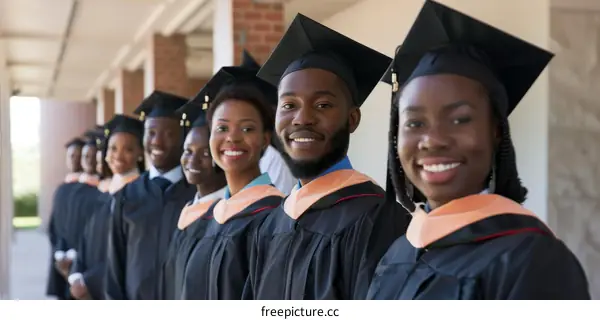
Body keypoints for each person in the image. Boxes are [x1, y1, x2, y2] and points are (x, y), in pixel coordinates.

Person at [367, 0, 590, 300]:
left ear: (495, 131)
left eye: (459, 119)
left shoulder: (535, 261)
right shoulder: (399, 251)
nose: (433, 140)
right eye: (415, 123)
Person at [243, 14, 410, 300]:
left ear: (352, 119)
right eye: (289, 105)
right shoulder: (269, 225)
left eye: (322, 104)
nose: (302, 118)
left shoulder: (378, 220)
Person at [180, 68, 284, 300]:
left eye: (247, 128)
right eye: (222, 128)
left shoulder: (275, 218)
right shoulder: (207, 218)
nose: (232, 138)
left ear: (265, 140)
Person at [105, 91, 197, 300]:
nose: (157, 142)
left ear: (184, 137)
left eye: (168, 133)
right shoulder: (126, 196)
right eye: (151, 133)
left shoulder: (197, 196)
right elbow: (114, 268)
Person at [158, 92, 227, 300]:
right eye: (188, 151)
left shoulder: (227, 215)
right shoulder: (188, 210)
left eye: (205, 153)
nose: (193, 161)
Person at [69, 115, 145, 300]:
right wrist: (77, 274)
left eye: (128, 149)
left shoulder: (143, 197)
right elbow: (86, 238)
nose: (117, 156)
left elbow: (132, 256)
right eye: (112, 148)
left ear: (140, 153)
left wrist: (89, 282)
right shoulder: (104, 192)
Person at [52, 129, 102, 287]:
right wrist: (60, 251)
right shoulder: (68, 189)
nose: (86, 161)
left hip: (87, 262)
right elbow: (56, 224)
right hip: (65, 256)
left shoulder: (100, 191)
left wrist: (75, 254)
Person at [46, 137, 85, 299]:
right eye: (71, 156)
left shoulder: (90, 190)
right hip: (60, 256)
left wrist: (74, 254)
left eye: (78, 156)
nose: (74, 160)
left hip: (80, 259)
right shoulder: (61, 189)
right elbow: (53, 226)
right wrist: (59, 251)